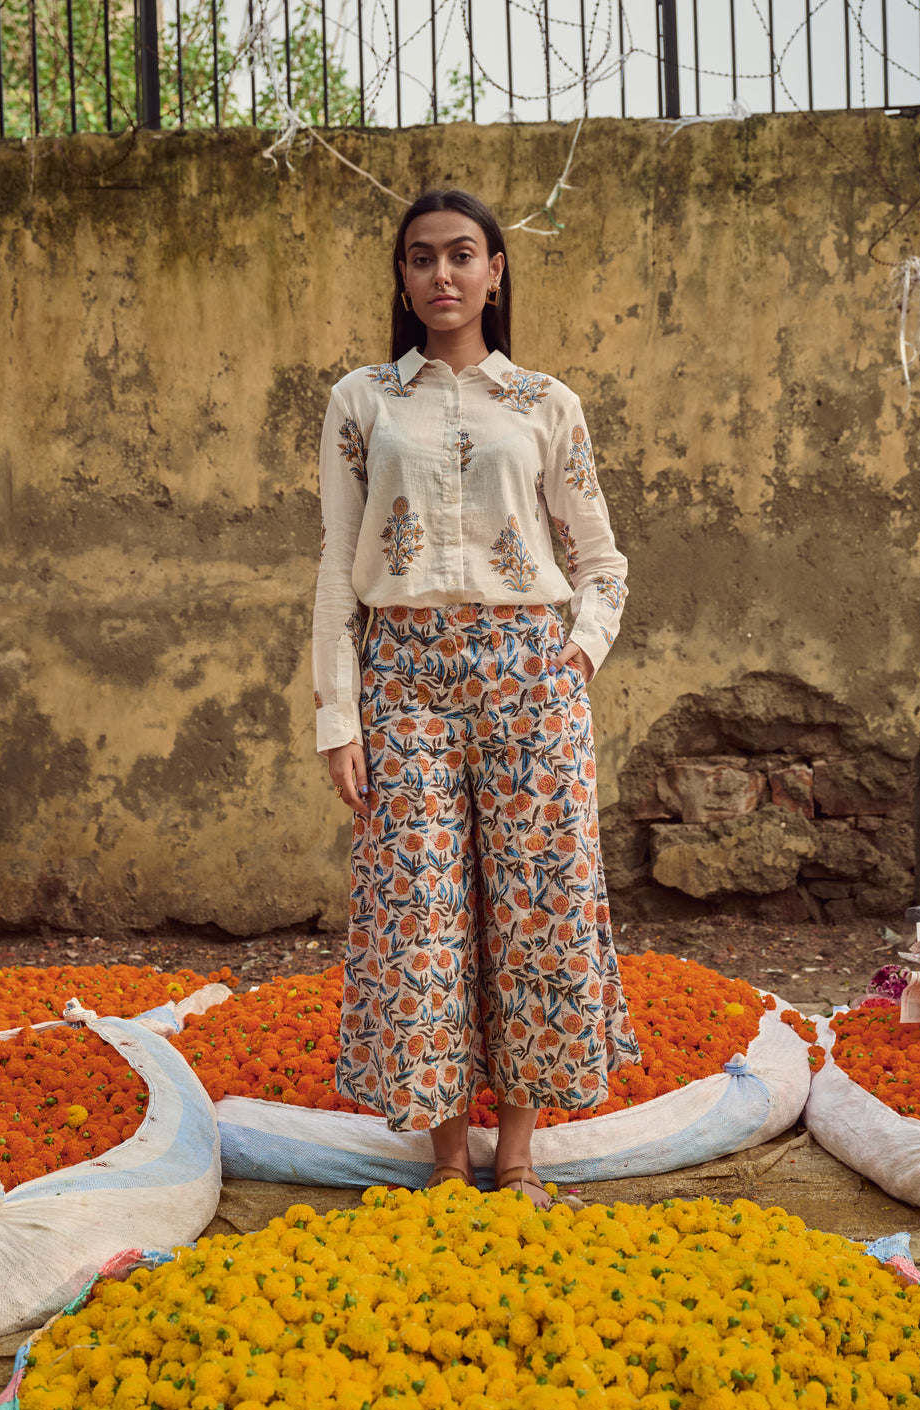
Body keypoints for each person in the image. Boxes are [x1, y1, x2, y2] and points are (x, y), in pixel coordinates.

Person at [312, 187, 638, 1208]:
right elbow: (335, 561)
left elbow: (601, 558)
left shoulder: (545, 403)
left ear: (496, 270)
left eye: (462, 256)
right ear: (401, 280)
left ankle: (521, 1153)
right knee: (420, 908)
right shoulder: (361, 400)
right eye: (420, 259)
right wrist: (336, 712)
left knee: (538, 901)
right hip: (401, 673)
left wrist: (572, 659)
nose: (441, 276)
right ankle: (446, 1157)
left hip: (528, 669)